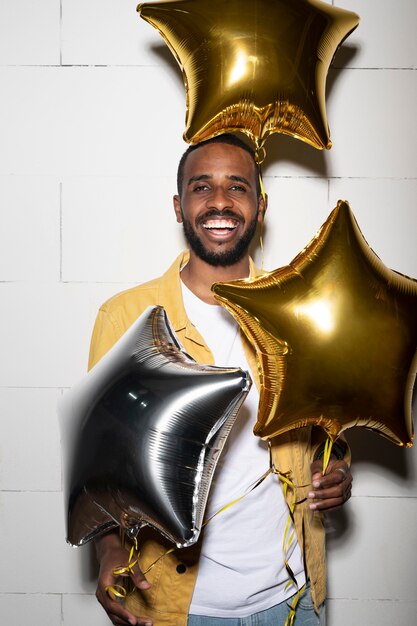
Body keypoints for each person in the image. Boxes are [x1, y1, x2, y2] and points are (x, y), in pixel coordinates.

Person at [88, 134, 352, 626]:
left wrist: (334, 470)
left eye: (237, 187)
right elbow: (102, 466)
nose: (220, 202)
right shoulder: (126, 317)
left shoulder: (299, 315)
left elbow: (324, 431)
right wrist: (106, 552)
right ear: (178, 204)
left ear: (260, 204)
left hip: (293, 601)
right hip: (173, 606)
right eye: (201, 187)